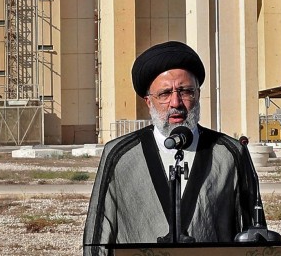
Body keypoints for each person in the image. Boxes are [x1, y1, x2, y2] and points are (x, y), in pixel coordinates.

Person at [83, 40, 260, 254]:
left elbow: (254, 234)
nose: (176, 102)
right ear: (148, 101)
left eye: (185, 91)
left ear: (197, 94)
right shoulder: (121, 155)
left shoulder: (229, 153)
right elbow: (98, 234)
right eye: (165, 94)